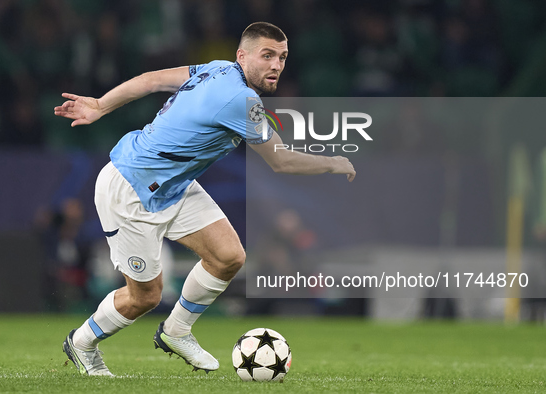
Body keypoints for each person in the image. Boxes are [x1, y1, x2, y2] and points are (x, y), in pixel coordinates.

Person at [54, 22, 356, 376]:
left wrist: (102, 106)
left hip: (175, 184)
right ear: (242, 56)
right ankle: (82, 342)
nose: (276, 65)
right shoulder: (241, 101)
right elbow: (281, 160)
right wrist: (332, 162)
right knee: (145, 297)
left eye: (283, 57)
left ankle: (176, 330)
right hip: (130, 189)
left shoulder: (217, 68)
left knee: (228, 256)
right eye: (268, 55)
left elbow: (151, 80)